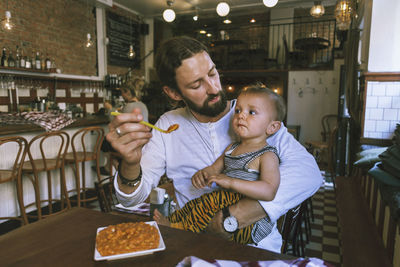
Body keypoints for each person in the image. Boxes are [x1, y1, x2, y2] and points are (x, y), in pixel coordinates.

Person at [106, 36, 322, 253]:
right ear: (174, 93)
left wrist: (236, 216)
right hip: (192, 243)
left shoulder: (257, 118)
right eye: (197, 84)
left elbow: (310, 173)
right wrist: (131, 163)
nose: (213, 88)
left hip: (257, 246)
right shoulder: (168, 125)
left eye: (212, 73)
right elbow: (131, 200)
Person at [153, 84, 283, 245]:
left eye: (251, 112)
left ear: (272, 127)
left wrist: (231, 182)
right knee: (197, 203)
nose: (241, 116)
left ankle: (178, 227)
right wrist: (203, 174)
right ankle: (173, 220)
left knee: (208, 205)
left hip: (251, 224)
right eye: (238, 111)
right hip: (227, 203)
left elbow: (269, 191)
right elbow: (214, 169)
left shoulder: (267, 155)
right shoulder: (232, 148)